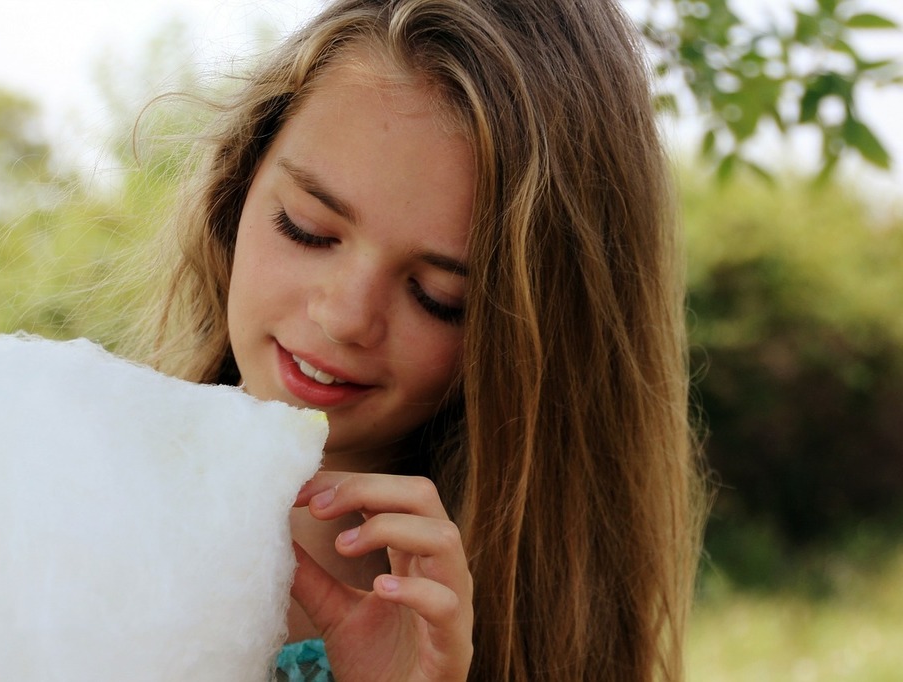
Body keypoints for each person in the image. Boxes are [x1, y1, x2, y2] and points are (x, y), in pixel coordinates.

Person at [138, 0, 704, 679]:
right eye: (306, 228)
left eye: (439, 297)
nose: (346, 316)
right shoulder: (60, 489)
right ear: (237, 189)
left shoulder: (520, 643)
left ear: (532, 348)